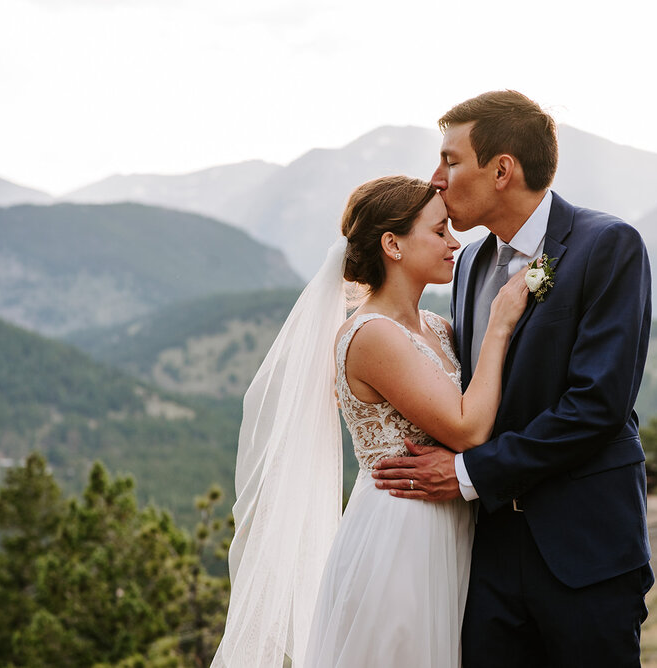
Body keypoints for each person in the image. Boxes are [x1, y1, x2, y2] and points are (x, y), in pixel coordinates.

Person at [373, 90, 655, 667]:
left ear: (502, 170)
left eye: (451, 160)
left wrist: (467, 473)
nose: (436, 178)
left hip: (585, 552)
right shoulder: (471, 262)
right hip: (487, 556)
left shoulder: (607, 246)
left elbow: (596, 407)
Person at [212, 175, 529, 667]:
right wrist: (500, 325)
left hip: (450, 529)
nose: (455, 243)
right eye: (440, 230)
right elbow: (467, 429)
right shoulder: (372, 335)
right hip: (400, 535)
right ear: (392, 245)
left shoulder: (438, 328)